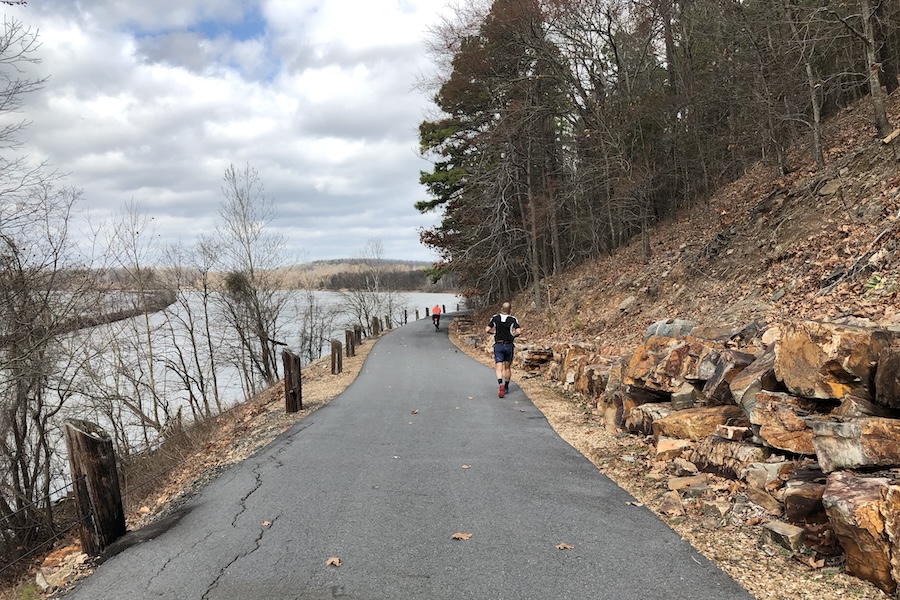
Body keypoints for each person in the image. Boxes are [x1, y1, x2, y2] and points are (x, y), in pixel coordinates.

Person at [484, 302, 522, 398]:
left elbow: (487, 329)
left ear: (501, 309)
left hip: (498, 345)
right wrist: (513, 336)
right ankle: (506, 386)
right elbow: (519, 331)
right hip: (508, 345)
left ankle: (500, 382)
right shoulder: (513, 319)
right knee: (507, 367)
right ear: (510, 310)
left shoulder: (495, 318)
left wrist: (494, 333)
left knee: (499, 367)